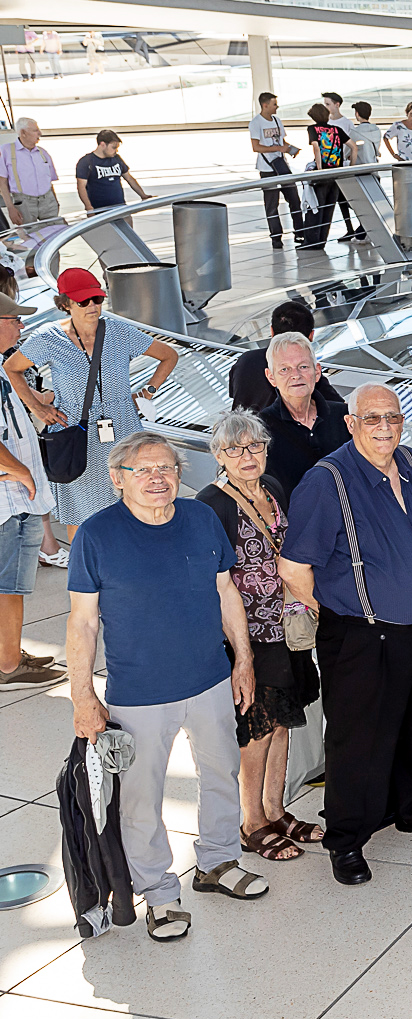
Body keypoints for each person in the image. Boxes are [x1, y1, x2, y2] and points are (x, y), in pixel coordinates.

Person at [67, 432, 270, 938]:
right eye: (143, 469)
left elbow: (226, 591)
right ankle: (159, 893)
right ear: (117, 479)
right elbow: (83, 623)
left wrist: (243, 660)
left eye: (167, 468)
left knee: (222, 773)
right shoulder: (95, 535)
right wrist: (82, 695)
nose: (157, 478)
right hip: (139, 694)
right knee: (141, 798)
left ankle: (218, 862)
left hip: (209, 679)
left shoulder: (200, 519)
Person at [280, 386, 412, 886]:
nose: (385, 427)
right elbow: (294, 567)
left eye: (393, 417)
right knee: (359, 738)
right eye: (372, 418)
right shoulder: (327, 481)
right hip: (364, 635)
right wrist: (343, 610)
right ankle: (346, 837)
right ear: (351, 423)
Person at [196, 410, 324, 861]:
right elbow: (211, 581)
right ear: (218, 455)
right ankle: (251, 822)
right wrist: (236, 650)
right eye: (234, 449)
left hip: (287, 624)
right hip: (249, 633)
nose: (246, 456)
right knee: (258, 727)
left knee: (283, 719)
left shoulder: (273, 488)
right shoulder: (212, 503)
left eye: (254, 446)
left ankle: (275, 808)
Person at [8, 267, 177, 536]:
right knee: (82, 514)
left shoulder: (120, 332)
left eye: (97, 299)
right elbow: (11, 369)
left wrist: (147, 392)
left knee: (134, 502)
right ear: (65, 304)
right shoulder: (48, 338)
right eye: (83, 301)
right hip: (77, 434)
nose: (92, 306)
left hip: (124, 429)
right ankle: (83, 562)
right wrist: (36, 407)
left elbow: (169, 355)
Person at [0, 289, 61, 690]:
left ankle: (7, 651)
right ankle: (8, 665)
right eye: (14, 320)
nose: (21, 326)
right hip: (9, 503)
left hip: (16, 497)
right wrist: (21, 472)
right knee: (9, 586)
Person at [255, 332, 351, 494]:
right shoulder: (260, 429)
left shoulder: (345, 416)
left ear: (317, 371)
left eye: (303, 367)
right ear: (271, 377)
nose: (295, 375)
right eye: (284, 369)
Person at [229, 301, 344, 415]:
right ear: (311, 336)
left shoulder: (245, 360)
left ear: (272, 331)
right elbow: (342, 410)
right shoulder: (307, 377)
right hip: (271, 427)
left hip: (238, 425)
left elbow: (235, 396)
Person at [246, 95, 297, 249]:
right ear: (265, 105)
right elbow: (256, 147)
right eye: (274, 104)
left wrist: (289, 149)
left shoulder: (276, 120)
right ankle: (276, 237)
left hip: (281, 165)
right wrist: (278, 148)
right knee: (272, 204)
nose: (277, 107)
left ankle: (300, 231)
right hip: (267, 168)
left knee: (294, 199)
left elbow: (281, 141)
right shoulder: (256, 123)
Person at [304, 102, 356, 247]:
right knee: (329, 208)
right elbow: (354, 147)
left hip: (322, 174)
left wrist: (320, 169)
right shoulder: (337, 129)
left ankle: (312, 242)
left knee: (316, 207)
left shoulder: (313, 129)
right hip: (336, 174)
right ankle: (322, 241)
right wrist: (350, 168)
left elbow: (316, 147)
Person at [1, 118, 62, 236]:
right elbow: (2, 182)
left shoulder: (43, 153)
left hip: (47, 200)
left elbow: (49, 181)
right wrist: (10, 207)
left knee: (54, 235)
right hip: (24, 202)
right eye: (35, 130)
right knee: (30, 237)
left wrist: (55, 201)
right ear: (23, 133)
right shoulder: (6, 151)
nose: (40, 134)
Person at [73, 130, 148, 215]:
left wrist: (143, 195)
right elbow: (81, 186)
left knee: (126, 222)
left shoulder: (116, 159)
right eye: (113, 147)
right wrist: (89, 207)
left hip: (120, 207)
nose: (116, 151)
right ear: (102, 144)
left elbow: (129, 178)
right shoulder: (86, 162)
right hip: (99, 210)